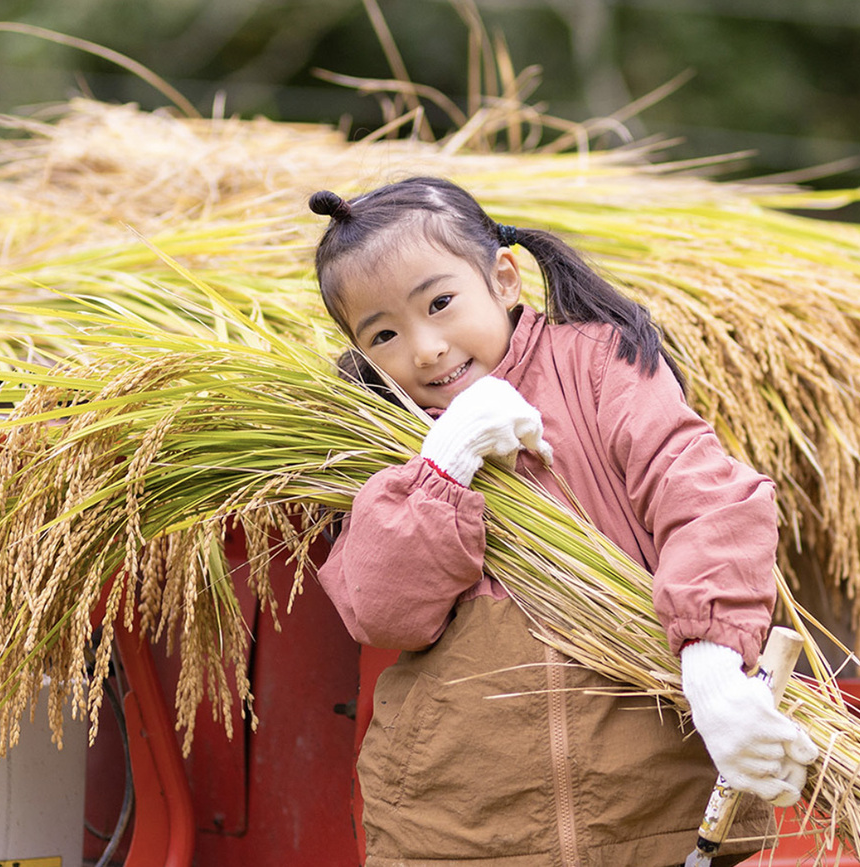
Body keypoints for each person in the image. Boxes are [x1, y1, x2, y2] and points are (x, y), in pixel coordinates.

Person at [309, 176, 816, 867]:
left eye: (440, 303)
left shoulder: (598, 367)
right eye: (386, 333)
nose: (424, 347)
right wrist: (444, 465)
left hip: (652, 816)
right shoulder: (385, 438)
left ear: (505, 279)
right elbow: (383, 612)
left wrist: (713, 664)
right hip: (461, 831)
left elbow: (709, 498)